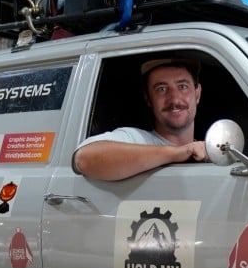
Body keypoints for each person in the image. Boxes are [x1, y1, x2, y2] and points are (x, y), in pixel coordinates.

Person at [73, 57, 209, 180]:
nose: (174, 99)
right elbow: (84, 159)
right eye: (161, 89)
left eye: (182, 87)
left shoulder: (207, 151)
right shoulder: (136, 139)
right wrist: (178, 153)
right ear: (148, 99)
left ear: (197, 93)